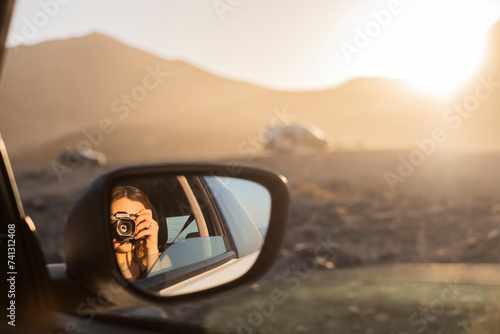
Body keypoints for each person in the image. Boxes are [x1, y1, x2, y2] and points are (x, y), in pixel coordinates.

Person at [111, 185, 161, 281]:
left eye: (134, 219)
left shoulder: (162, 260)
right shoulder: (90, 267)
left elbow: (160, 288)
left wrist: (151, 249)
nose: (126, 226)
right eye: (119, 219)